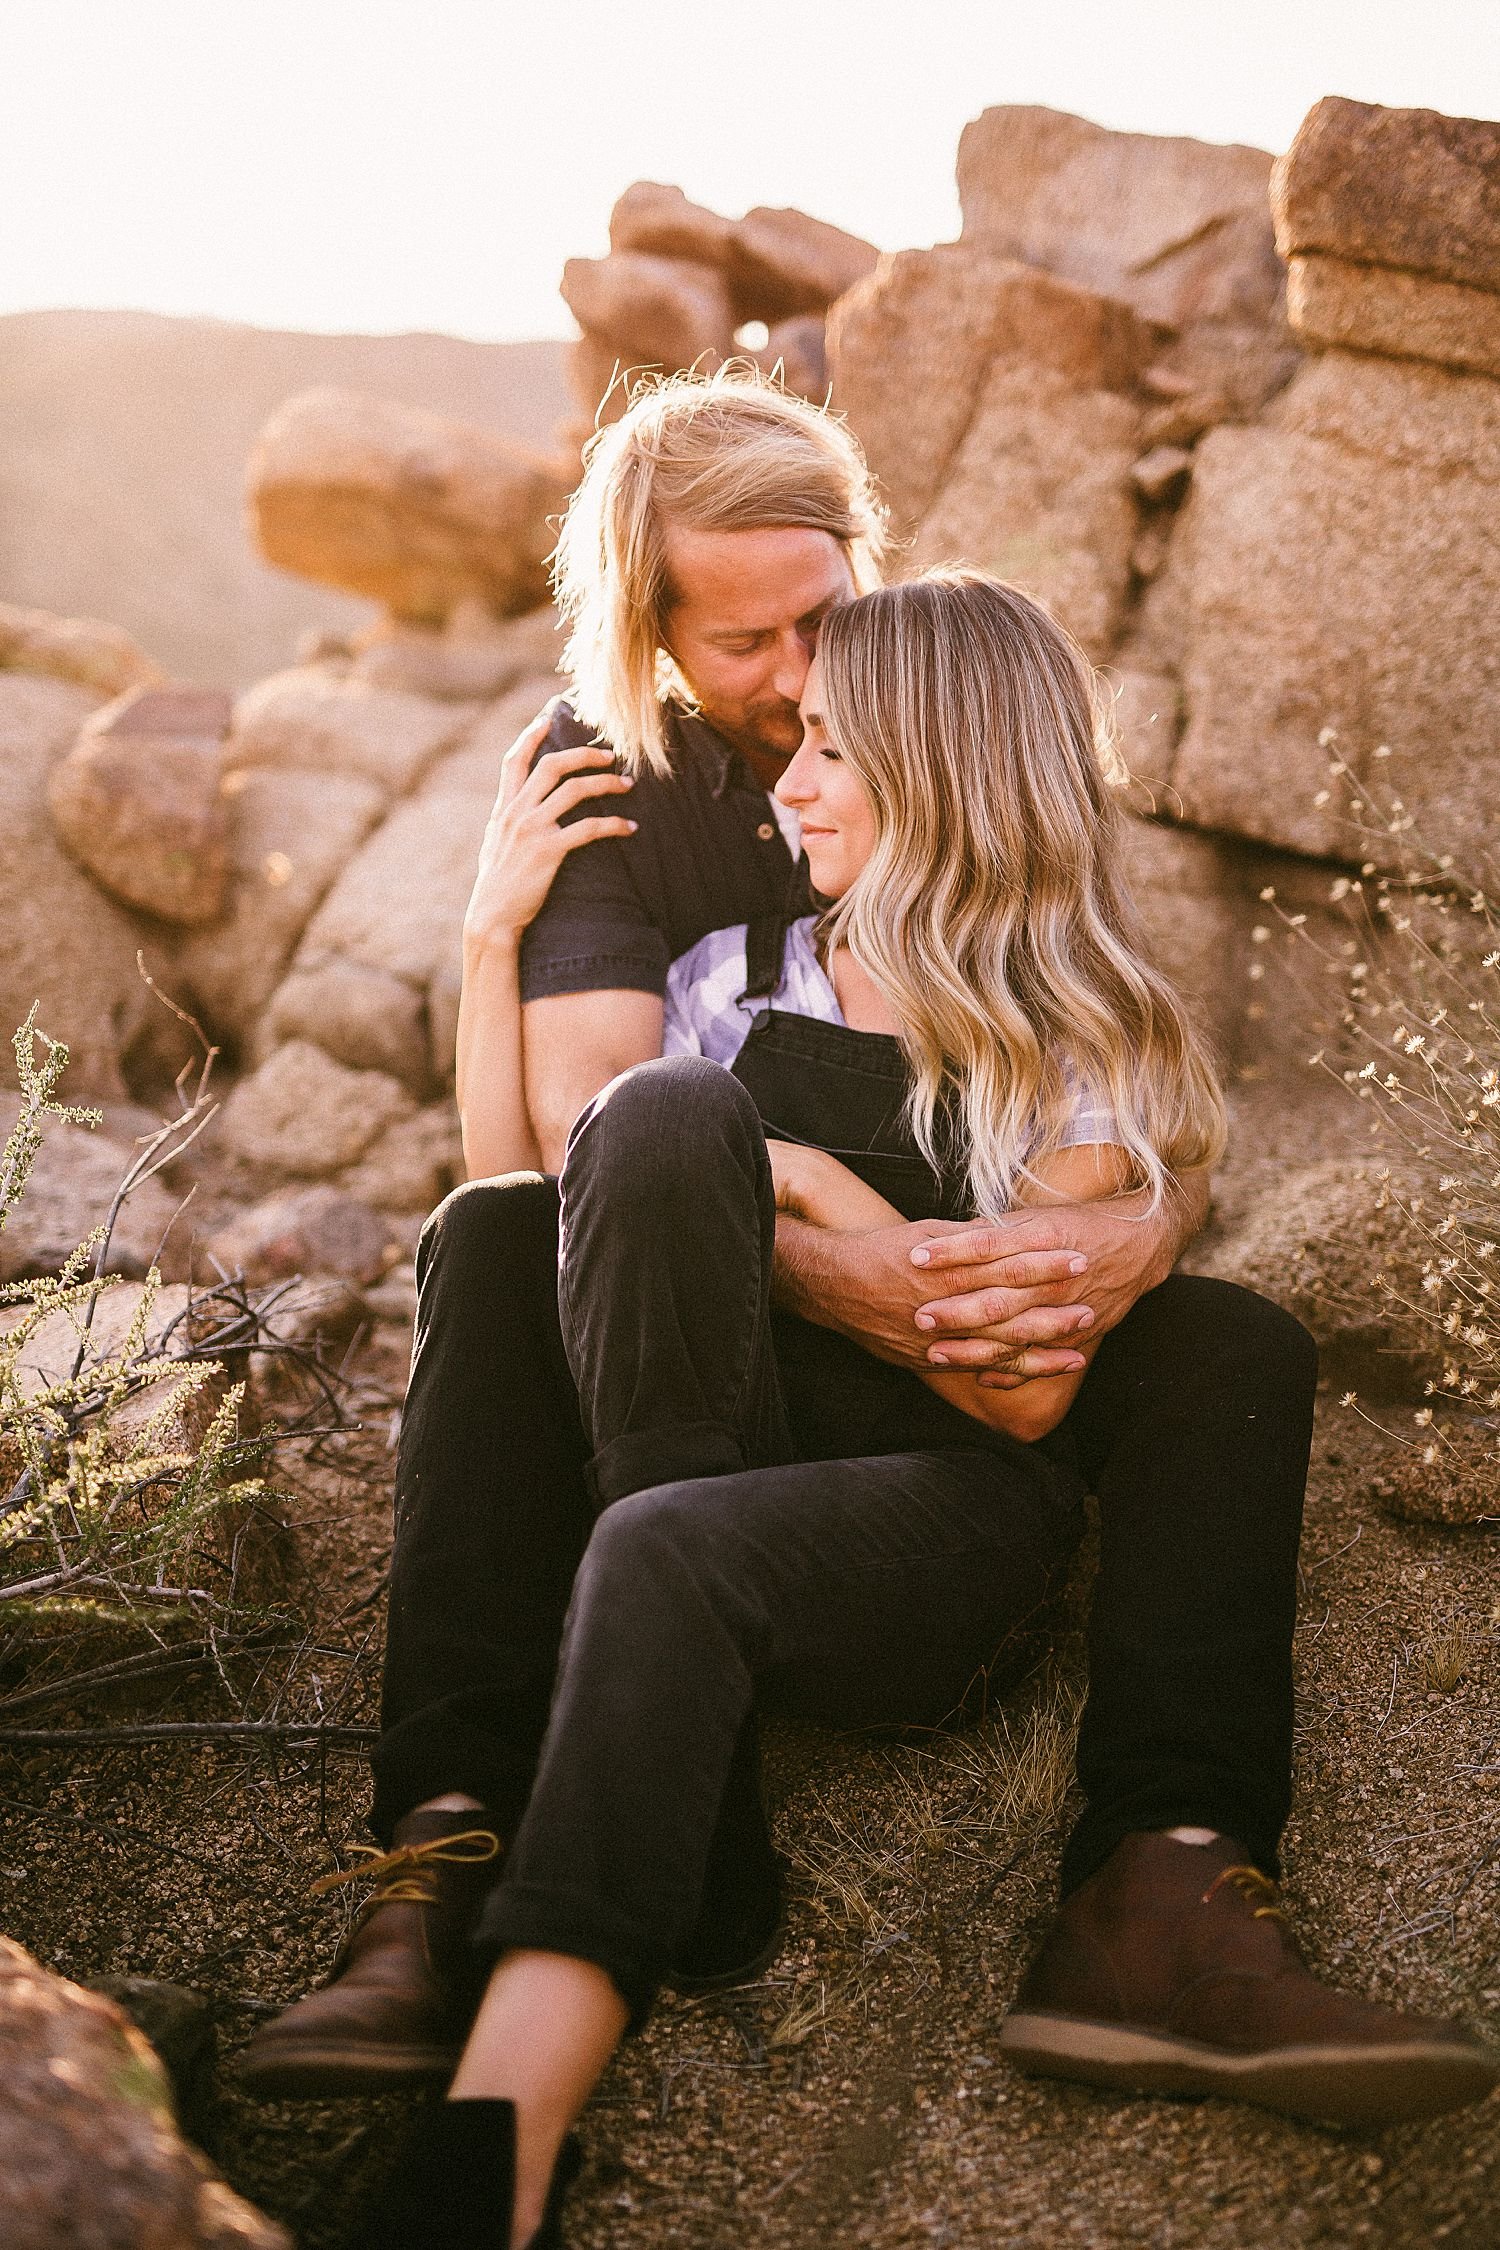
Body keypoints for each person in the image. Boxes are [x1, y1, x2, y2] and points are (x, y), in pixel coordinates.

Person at [239, 378, 1493, 2191]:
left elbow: (1070, 1260)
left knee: (1227, 1332)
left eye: (826, 646)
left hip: (919, 1492)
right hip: (708, 1367)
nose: (789, 716)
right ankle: (475, 1854)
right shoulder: (662, 855)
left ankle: (1161, 1888)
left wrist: (1114, 1228)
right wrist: (554, 984)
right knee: (539, 1221)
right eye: (752, 653)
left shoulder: (994, 834)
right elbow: (569, 1172)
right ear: (653, 640)